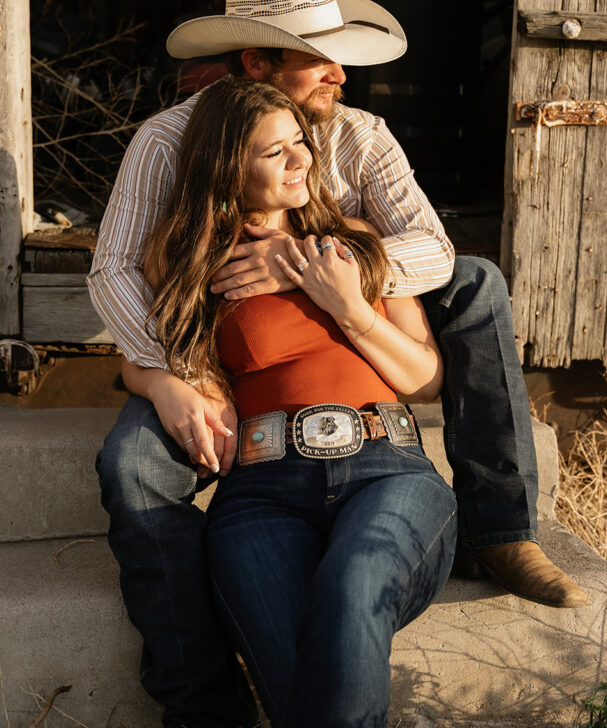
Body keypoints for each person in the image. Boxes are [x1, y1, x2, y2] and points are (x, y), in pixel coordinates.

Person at [91, 0, 587, 728]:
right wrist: (169, 375)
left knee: (480, 283)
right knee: (128, 464)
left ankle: (496, 528)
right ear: (257, 61)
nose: (340, 74)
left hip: (360, 337)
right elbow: (114, 273)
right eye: (319, 57)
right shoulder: (170, 143)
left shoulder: (361, 136)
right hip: (234, 400)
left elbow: (434, 251)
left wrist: (322, 266)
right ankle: (199, 701)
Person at [124, 77, 457, 728]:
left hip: (386, 470)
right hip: (261, 493)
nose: (303, 158)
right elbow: (142, 357)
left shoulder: (356, 239)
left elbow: (425, 380)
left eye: (300, 142)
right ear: (226, 167)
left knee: (350, 585)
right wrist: (162, 383)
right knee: (298, 688)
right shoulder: (189, 255)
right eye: (275, 153)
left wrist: (347, 307)